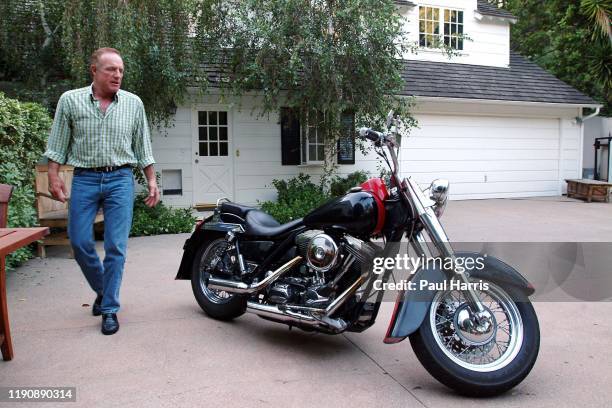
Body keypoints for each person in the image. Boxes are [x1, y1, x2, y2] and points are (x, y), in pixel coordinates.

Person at [44, 47, 160, 335]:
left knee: (115, 247)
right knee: (79, 241)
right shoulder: (70, 101)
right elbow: (58, 144)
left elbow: (142, 147)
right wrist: (53, 174)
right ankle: (104, 290)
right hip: (84, 178)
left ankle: (109, 308)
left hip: (120, 179)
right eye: (110, 69)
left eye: (120, 70)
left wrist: (152, 181)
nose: (117, 75)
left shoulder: (133, 104)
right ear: (94, 71)